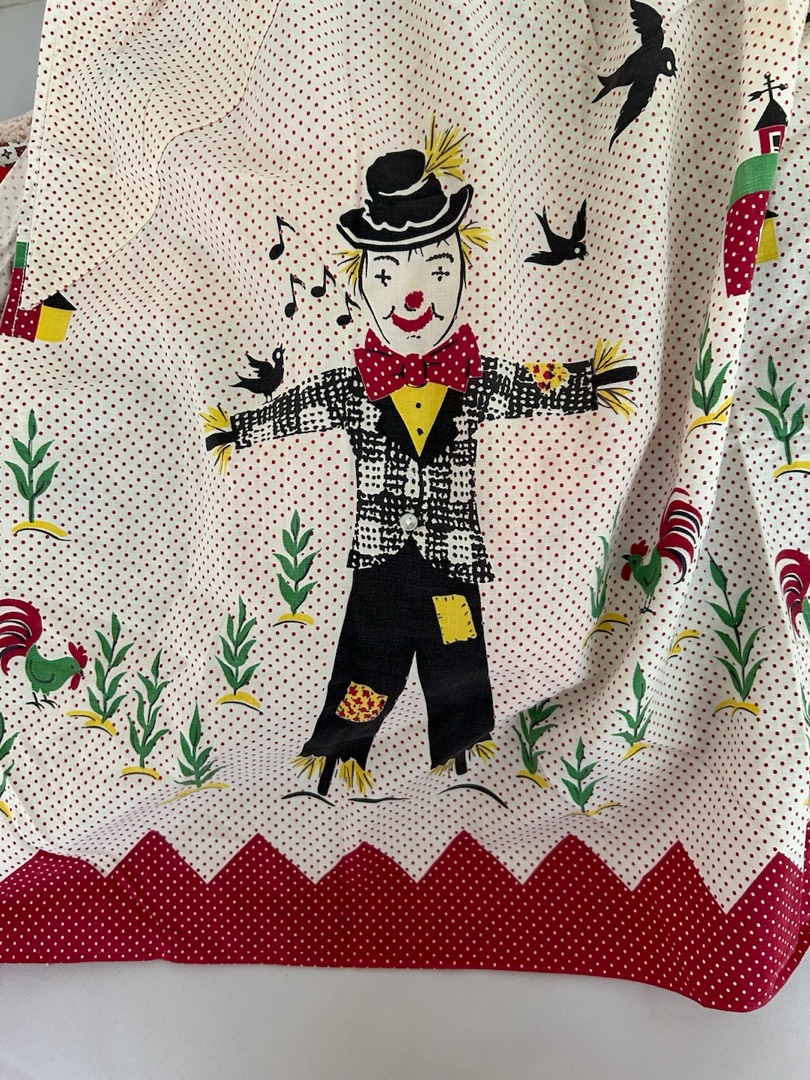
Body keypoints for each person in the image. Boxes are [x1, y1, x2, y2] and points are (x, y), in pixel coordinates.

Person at [207, 129, 636, 798]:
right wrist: (240, 430)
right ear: (363, 286)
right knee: (367, 658)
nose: (414, 296)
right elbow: (302, 406)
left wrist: (590, 383)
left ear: (462, 268)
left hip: (449, 559)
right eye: (388, 276)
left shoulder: (475, 377)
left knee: (456, 655)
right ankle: (334, 763)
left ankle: (465, 769)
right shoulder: (355, 385)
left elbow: (532, 385)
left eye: (438, 269)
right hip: (381, 559)